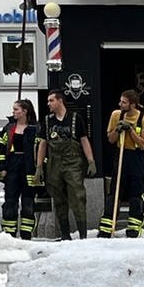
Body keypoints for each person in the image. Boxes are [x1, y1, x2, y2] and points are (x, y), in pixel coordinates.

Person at [36, 89, 95, 240]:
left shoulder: (75, 118)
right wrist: (39, 167)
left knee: (77, 197)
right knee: (59, 200)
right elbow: (43, 144)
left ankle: (82, 235)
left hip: (73, 163)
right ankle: (65, 235)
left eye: (51, 100)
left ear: (60, 101)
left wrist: (91, 161)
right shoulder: (48, 120)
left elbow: (84, 140)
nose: (48, 103)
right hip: (54, 164)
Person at [104, 89, 144, 239]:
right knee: (115, 193)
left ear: (132, 104)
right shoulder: (115, 115)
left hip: (137, 158)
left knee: (136, 194)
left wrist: (130, 130)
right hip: (121, 156)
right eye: (120, 101)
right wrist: (118, 130)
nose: (120, 104)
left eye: (124, 102)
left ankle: (134, 227)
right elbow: (111, 139)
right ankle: (107, 226)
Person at [0, 98, 40, 240]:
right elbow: (1, 148)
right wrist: (2, 167)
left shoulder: (35, 129)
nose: (13, 112)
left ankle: (26, 234)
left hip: (29, 169)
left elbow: (41, 149)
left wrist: (39, 169)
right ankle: (9, 233)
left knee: (28, 202)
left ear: (25, 111)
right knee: (10, 201)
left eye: (16, 109)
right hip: (12, 167)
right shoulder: (9, 128)